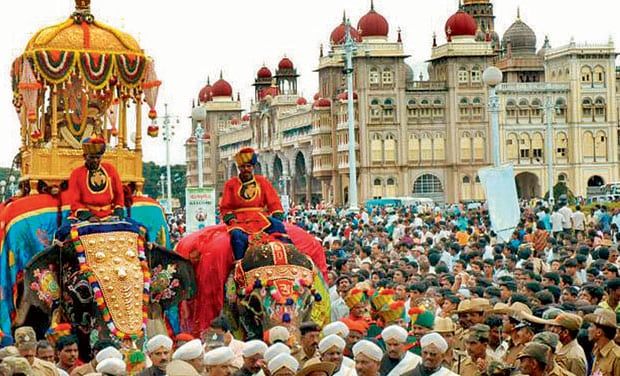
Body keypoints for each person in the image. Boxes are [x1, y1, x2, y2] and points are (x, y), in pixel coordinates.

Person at [220, 147, 286, 261]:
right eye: (243, 167)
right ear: (239, 168)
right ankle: (239, 264)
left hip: (260, 218)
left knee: (279, 227)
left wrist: (277, 214)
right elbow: (225, 207)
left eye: (248, 166)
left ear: (253, 167)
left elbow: (273, 201)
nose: (246, 169)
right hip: (239, 220)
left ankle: (285, 257)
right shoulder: (230, 184)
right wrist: (231, 219)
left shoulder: (262, 181)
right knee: (237, 236)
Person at [66, 137, 125, 221]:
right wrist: (89, 217)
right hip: (87, 215)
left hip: (110, 214)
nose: (95, 160)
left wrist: (118, 212)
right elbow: (75, 202)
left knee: (137, 230)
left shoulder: (110, 169)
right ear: (85, 157)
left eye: (98, 157)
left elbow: (119, 195)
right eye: (92, 157)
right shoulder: (76, 174)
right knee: (65, 232)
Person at [584, 308, 620, 376]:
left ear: (599, 332)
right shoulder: (597, 351)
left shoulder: (617, 357)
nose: (588, 329)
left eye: (591, 326)